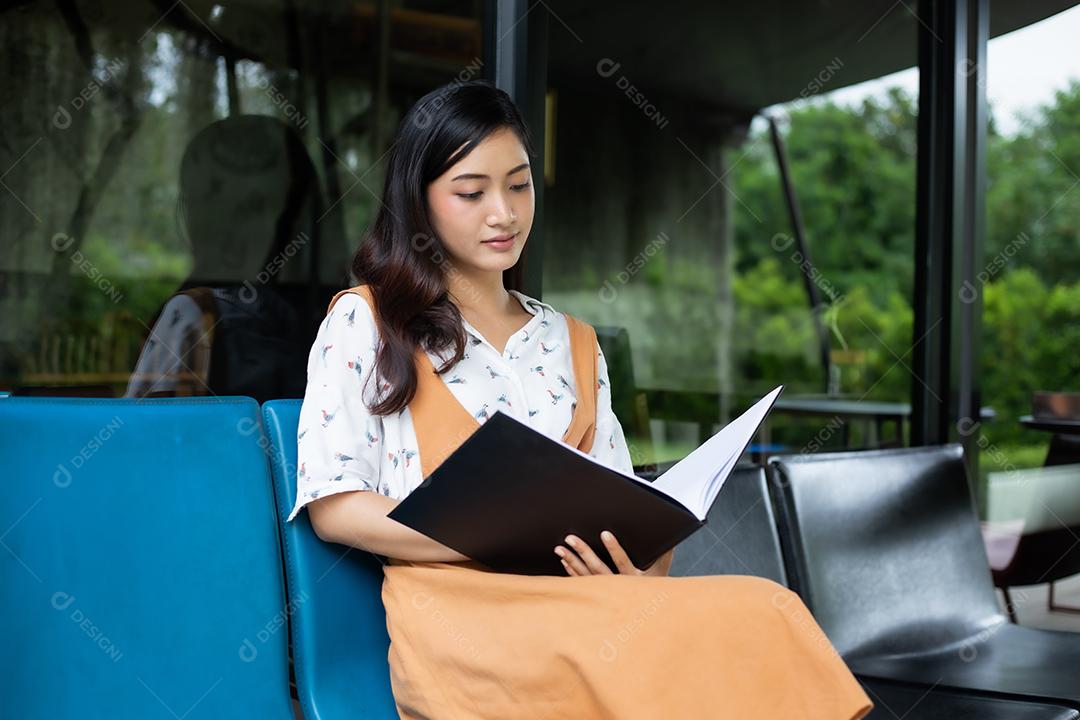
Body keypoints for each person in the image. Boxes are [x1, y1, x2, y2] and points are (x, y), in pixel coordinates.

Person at [287, 79, 873, 719]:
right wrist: (493, 536)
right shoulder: (368, 322)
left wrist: (631, 566)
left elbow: (625, 506)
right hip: (463, 622)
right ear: (418, 203)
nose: (504, 213)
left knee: (765, 607)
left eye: (519, 184)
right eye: (471, 192)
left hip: (585, 604)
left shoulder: (573, 342)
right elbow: (336, 509)